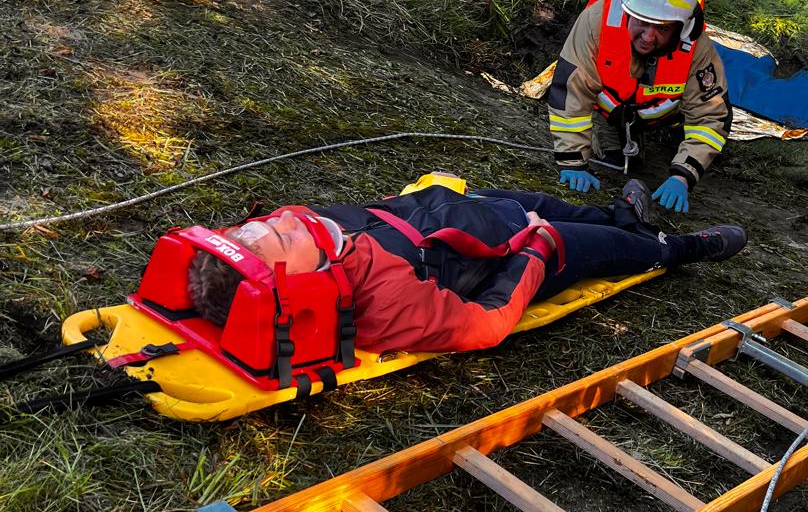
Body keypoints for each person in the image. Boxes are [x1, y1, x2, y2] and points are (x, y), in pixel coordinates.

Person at [186, 179, 747, 355]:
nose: (288, 220)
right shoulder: (382, 302)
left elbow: (388, 215)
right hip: (524, 250)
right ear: (298, 285)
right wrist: (536, 249)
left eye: (262, 225)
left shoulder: (314, 239)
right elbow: (486, 325)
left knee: (589, 215)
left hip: (478, 209)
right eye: (282, 237)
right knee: (625, 248)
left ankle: (621, 214)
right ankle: (684, 247)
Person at [546, 0, 732, 215]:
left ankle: (675, 140)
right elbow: (570, 92)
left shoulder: (697, 47)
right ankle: (612, 133)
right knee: (620, 162)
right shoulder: (596, 22)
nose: (648, 37)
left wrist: (684, 175)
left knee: (701, 149)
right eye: (642, 22)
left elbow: (711, 115)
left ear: (681, 28)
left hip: (666, 113)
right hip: (611, 109)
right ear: (627, 11)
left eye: (662, 29)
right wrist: (572, 161)